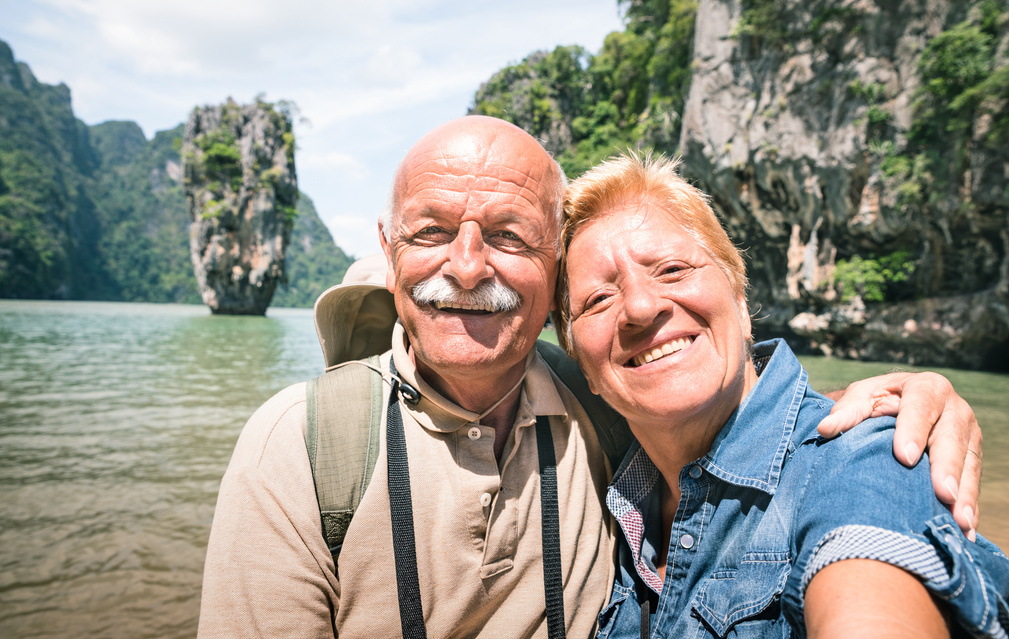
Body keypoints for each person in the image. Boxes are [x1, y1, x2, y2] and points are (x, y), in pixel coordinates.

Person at [198, 116, 986, 638]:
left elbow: (861, 562)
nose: (466, 266)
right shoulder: (302, 443)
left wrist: (906, 412)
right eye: (430, 231)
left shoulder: (857, 454)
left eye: (507, 235)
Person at [556, 152, 1008, 638]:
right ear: (583, 366)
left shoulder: (867, 457)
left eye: (671, 270)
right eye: (598, 300)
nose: (641, 307)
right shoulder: (602, 488)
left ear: (741, 302)